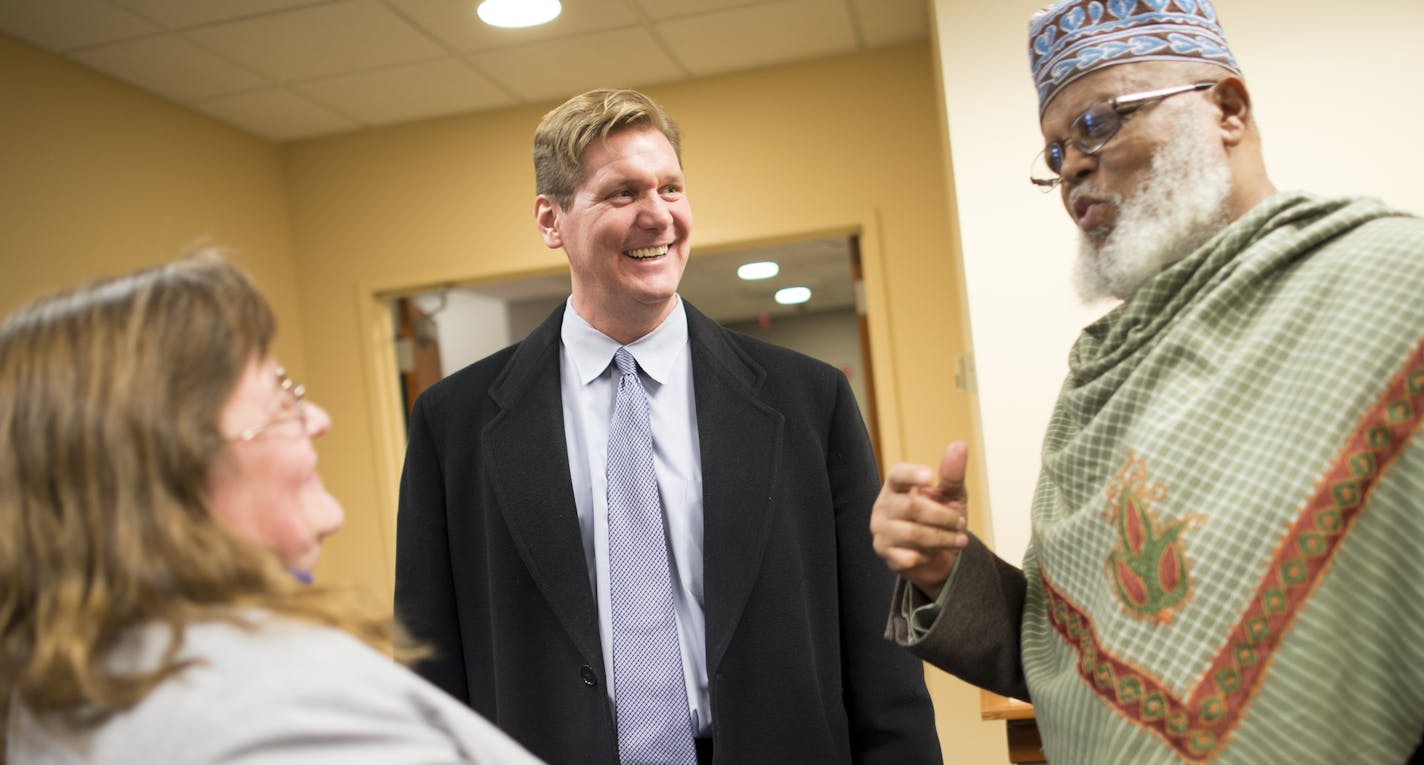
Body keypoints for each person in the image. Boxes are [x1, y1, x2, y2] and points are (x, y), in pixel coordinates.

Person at [871, 1, 1424, 763]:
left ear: (1226, 109)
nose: (1071, 170)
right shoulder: (1100, 378)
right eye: (1055, 152)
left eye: (1097, 125)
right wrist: (943, 567)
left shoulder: (1394, 286)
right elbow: (1066, 657)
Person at [394, 89, 942, 764]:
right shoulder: (457, 423)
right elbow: (428, 666)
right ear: (550, 218)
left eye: (671, 187)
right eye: (622, 193)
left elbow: (878, 650)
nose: (658, 216)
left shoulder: (809, 400)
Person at [0, 254, 542, 764]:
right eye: (283, 399)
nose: (319, 418)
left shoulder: (71, 682)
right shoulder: (265, 719)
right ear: (169, 460)